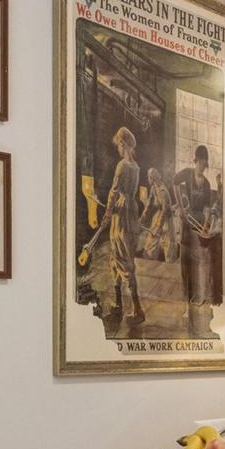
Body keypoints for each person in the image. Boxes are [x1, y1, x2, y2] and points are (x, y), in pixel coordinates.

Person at [79, 127, 147, 333]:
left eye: (118, 144)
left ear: (123, 144)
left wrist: (107, 213)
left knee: (121, 259)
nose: (117, 148)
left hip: (121, 216)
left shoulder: (122, 166)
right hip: (131, 212)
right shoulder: (136, 167)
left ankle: (137, 309)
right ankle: (119, 304)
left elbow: (114, 192)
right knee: (121, 259)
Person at [174, 144, 223, 338]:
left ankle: (198, 307)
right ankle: (186, 307)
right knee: (186, 269)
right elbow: (174, 183)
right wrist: (181, 204)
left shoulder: (206, 184)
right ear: (195, 160)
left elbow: (206, 210)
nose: (202, 167)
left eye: (205, 164)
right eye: (200, 163)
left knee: (199, 269)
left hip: (199, 229)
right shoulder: (186, 174)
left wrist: (205, 226)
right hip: (187, 230)